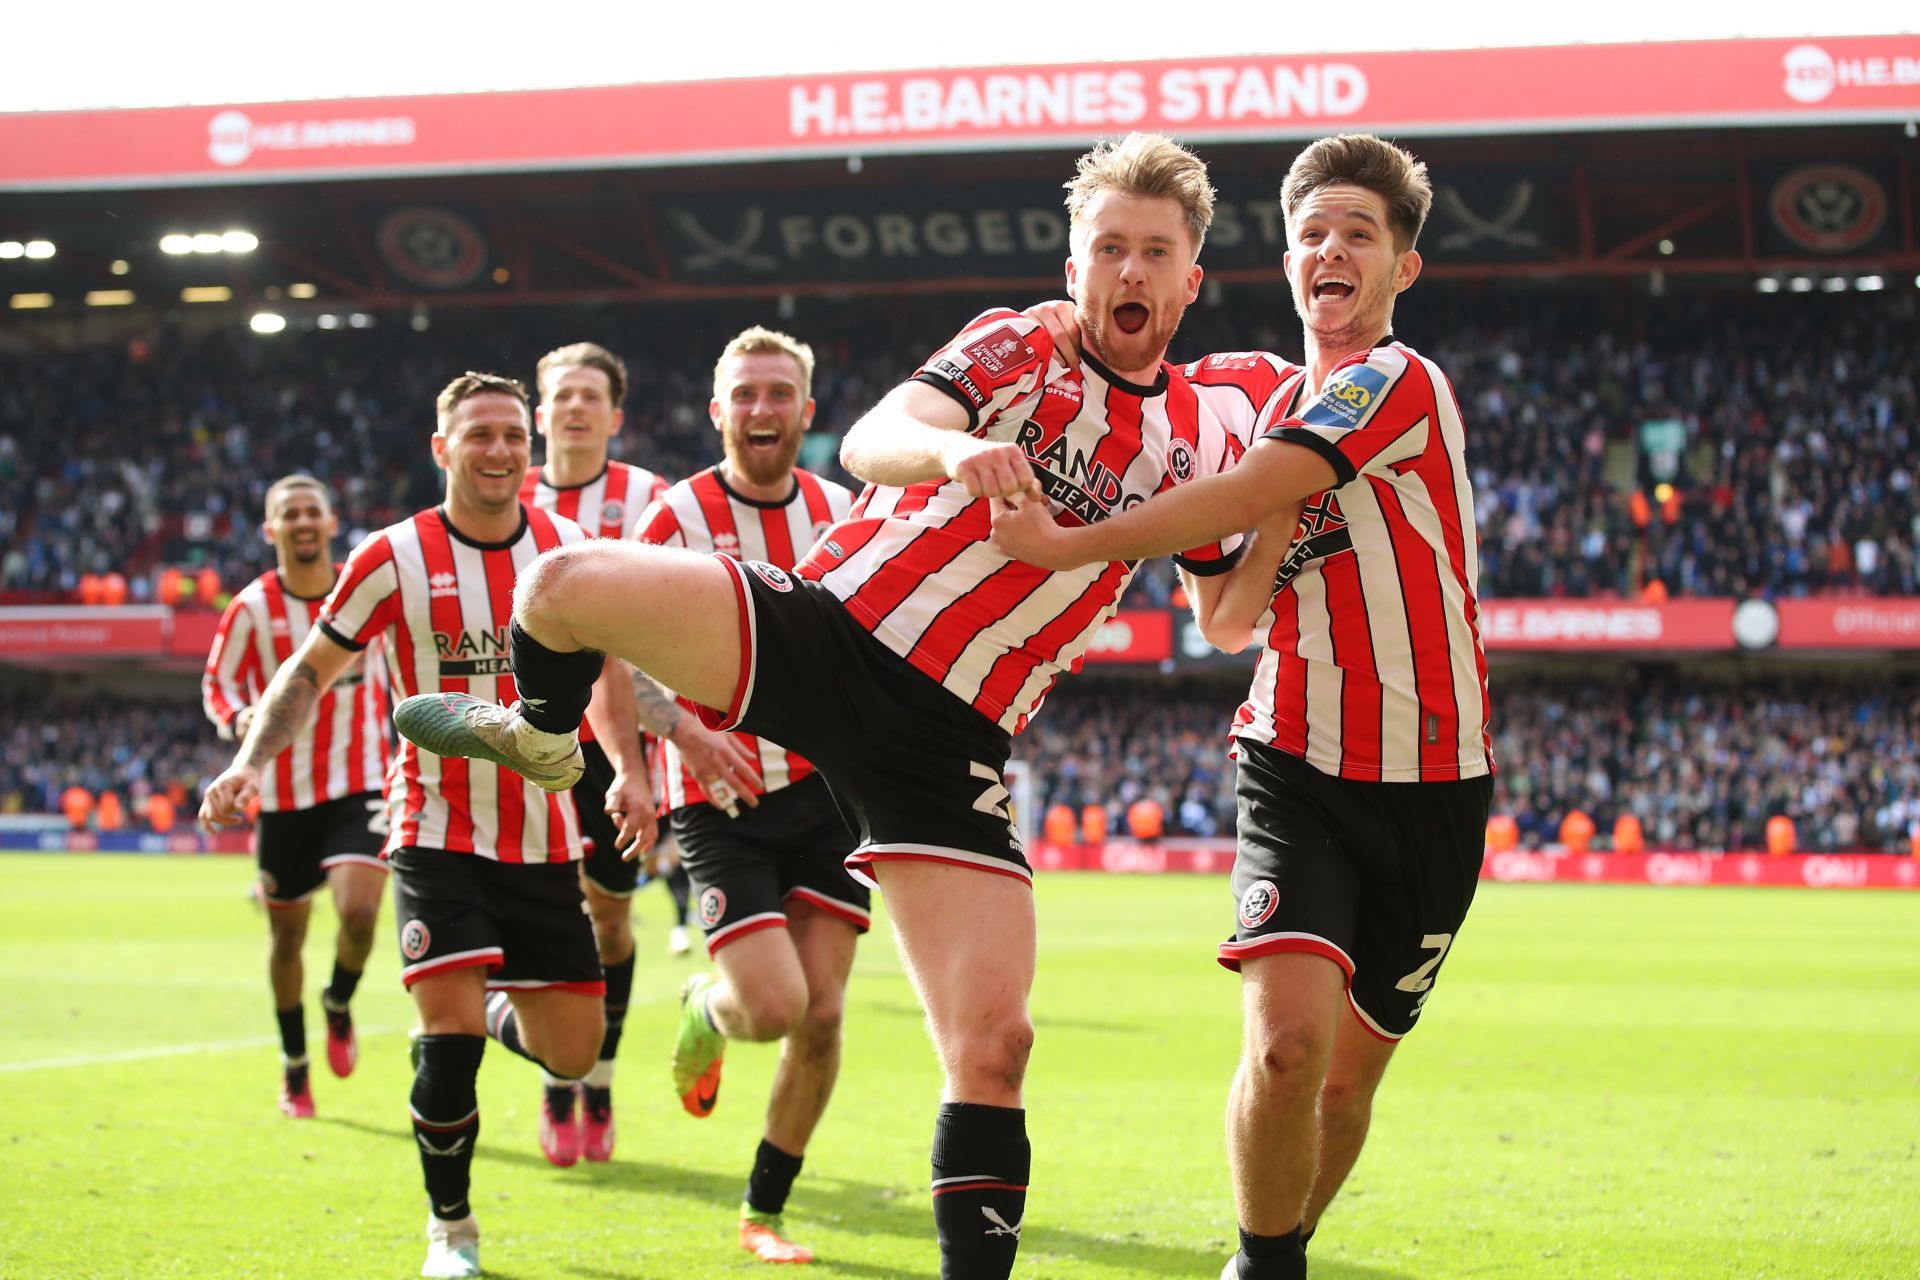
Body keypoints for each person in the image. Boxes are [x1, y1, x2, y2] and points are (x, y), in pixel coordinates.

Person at [392, 132, 1245, 1280]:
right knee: (557, 585)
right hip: (835, 633)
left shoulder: (1203, 434)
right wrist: (955, 455)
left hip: (954, 739)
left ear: (1191, 276)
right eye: (1108, 249)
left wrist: (1292, 511)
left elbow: (1226, 617)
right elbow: (880, 435)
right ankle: (546, 738)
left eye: (1155, 253)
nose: (1128, 274)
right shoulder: (1017, 340)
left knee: (993, 1044)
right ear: (1073, 258)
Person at [988, 133, 1493, 1280]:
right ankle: (1265, 1266)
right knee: (1287, 1049)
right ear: (1284, 258)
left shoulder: (1403, 383)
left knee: (1351, 1076)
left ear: (1401, 269)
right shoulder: (1257, 396)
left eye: (1360, 232)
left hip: (1437, 778)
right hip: (1294, 757)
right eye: (1313, 231)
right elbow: (1225, 618)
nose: (1332, 248)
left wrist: (1074, 536)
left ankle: (1281, 1242)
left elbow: (1258, 482)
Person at [201, 372, 651, 1280]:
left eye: (512, 437)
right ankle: (452, 1233)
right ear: (443, 449)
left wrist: (632, 773)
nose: (499, 451)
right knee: (443, 1044)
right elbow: (307, 670)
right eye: (479, 435)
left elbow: (607, 674)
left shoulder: (568, 547)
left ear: (529, 451)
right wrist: (251, 761)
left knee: (572, 1053)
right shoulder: (390, 556)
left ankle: (481, 1002)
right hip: (434, 824)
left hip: (541, 834)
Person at [636, 325, 863, 1264]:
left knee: (823, 1016)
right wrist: (679, 729)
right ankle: (709, 1003)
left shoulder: (850, 511)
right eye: (746, 394)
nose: (762, 409)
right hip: (715, 797)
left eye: (780, 394)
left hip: (827, 798)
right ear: (717, 409)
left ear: (806, 413)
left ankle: (764, 1211)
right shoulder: (673, 520)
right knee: (769, 1007)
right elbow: (608, 649)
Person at [518, 340, 757, 1165]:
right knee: (544, 924)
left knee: (612, 923)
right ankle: (559, 1078)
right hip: (523, 752)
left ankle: (601, 1076)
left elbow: (660, 643)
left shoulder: (651, 502)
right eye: (560, 396)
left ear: (614, 417)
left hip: (617, 754)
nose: (575, 408)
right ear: (540, 413)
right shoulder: (503, 497)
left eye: (591, 396)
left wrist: (675, 730)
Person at [201, 474, 391, 1118]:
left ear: (333, 522)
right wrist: (237, 722)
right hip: (282, 795)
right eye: (290, 514)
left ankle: (338, 1002)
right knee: (287, 940)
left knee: (360, 914)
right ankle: (295, 1065)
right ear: (271, 530)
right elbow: (218, 685)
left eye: (314, 512)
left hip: (360, 779)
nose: (304, 522)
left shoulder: (363, 593)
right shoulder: (252, 607)